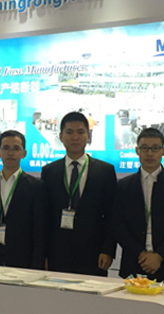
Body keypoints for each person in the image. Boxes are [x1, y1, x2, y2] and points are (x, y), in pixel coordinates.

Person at [112, 128, 164, 284]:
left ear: (163, 151)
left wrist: (159, 255)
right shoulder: (124, 186)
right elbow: (118, 224)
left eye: (155, 148)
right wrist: (141, 254)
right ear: (137, 151)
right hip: (134, 263)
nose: (149, 153)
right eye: (144, 148)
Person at [41, 112, 117, 276]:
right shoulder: (49, 172)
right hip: (58, 252)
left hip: (94, 253)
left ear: (88, 136)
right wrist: (44, 254)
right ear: (61, 137)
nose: (75, 137)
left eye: (80, 132)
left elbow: (112, 215)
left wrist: (108, 250)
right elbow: (45, 216)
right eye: (69, 132)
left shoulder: (105, 171)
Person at [0, 130, 46, 269]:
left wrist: (37, 264)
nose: (10, 153)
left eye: (16, 148)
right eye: (6, 148)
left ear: (23, 153)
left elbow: (39, 229)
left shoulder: (36, 186)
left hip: (23, 260)